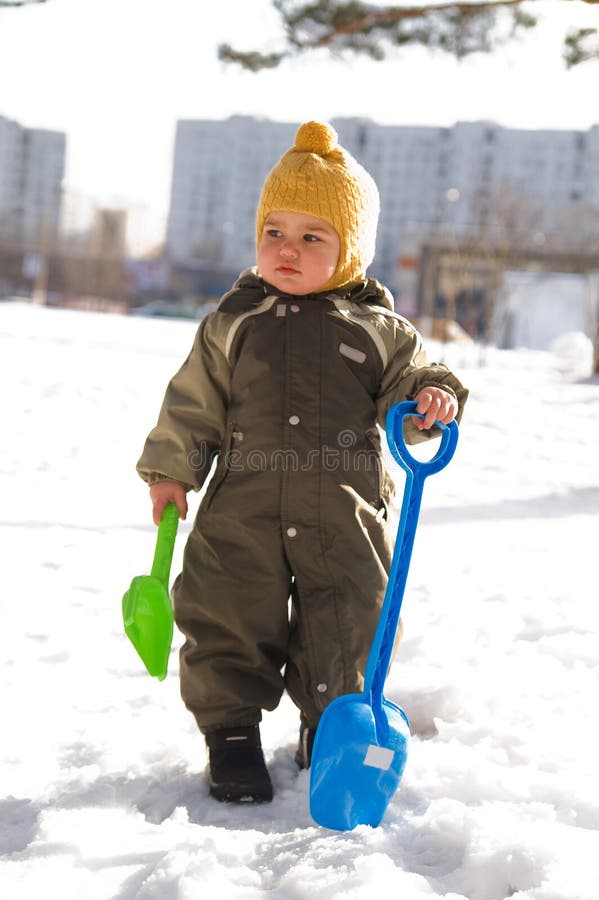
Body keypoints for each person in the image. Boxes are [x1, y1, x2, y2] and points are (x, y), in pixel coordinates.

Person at [136, 121, 468, 804]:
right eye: (274, 233)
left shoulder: (380, 332)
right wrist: (172, 468)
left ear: (351, 252)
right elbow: (193, 402)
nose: (286, 250)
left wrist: (430, 398)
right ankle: (230, 734)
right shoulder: (233, 322)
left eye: (312, 237)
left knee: (350, 618)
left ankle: (330, 726)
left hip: (343, 512)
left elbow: (414, 381)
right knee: (225, 611)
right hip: (243, 508)